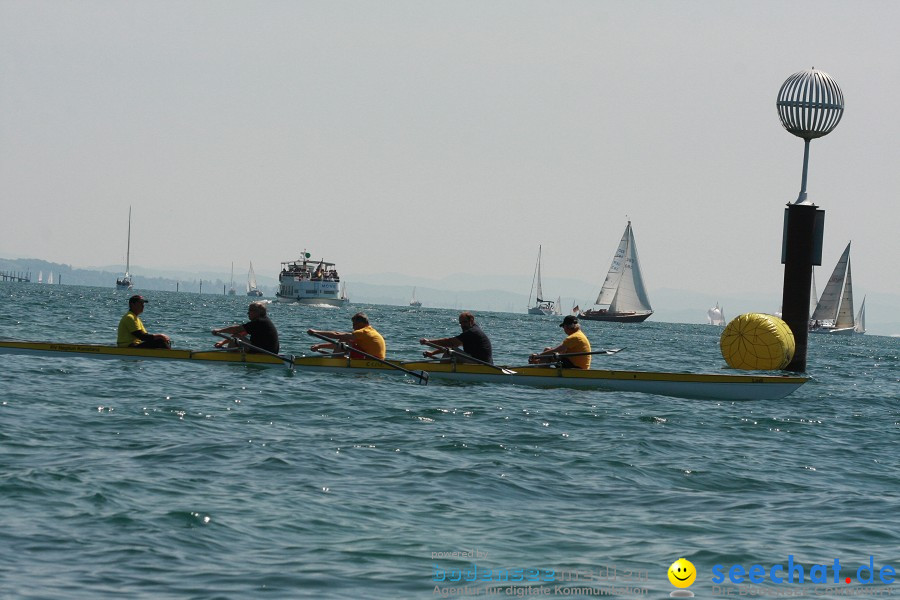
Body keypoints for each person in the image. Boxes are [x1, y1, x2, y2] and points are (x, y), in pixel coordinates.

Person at [419, 311, 493, 364]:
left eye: (465, 322)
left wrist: (428, 342)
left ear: (471, 320)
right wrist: (432, 353)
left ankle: (440, 370)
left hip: (481, 364)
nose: (462, 325)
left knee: (451, 352)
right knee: (451, 351)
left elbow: (450, 342)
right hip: (482, 362)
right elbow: (451, 346)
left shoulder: (472, 332)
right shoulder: (474, 330)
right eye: (461, 323)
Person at [309, 312, 385, 360]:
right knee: (346, 340)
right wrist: (320, 346)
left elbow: (337, 334)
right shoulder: (370, 331)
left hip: (371, 360)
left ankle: (335, 361)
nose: (353, 327)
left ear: (361, 324)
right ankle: (338, 358)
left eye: (354, 324)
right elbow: (341, 344)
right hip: (377, 359)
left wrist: (316, 332)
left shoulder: (364, 332)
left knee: (344, 338)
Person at [212, 302, 280, 354]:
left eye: (250, 310)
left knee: (235, 340)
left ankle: (229, 358)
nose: (248, 313)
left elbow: (235, 329)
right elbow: (242, 333)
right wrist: (222, 343)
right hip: (271, 351)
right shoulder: (264, 321)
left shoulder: (259, 322)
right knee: (237, 337)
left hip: (265, 352)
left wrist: (219, 330)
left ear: (257, 312)